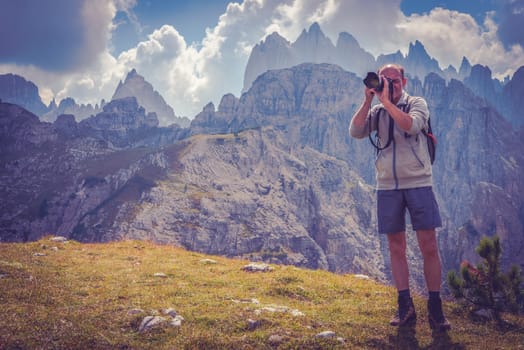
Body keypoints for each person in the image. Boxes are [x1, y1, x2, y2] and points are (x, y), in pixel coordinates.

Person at [349, 64, 451, 331]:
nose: (389, 85)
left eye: (394, 80)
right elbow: (356, 131)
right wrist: (368, 100)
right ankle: (405, 306)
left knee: (428, 245)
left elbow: (411, 126)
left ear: (404, 81)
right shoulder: (378, 109)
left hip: (418, 183)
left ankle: (435, 308)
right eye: (385, 80)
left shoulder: (416, 103)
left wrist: (387, 102)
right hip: (387, 186)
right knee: (396, 247)